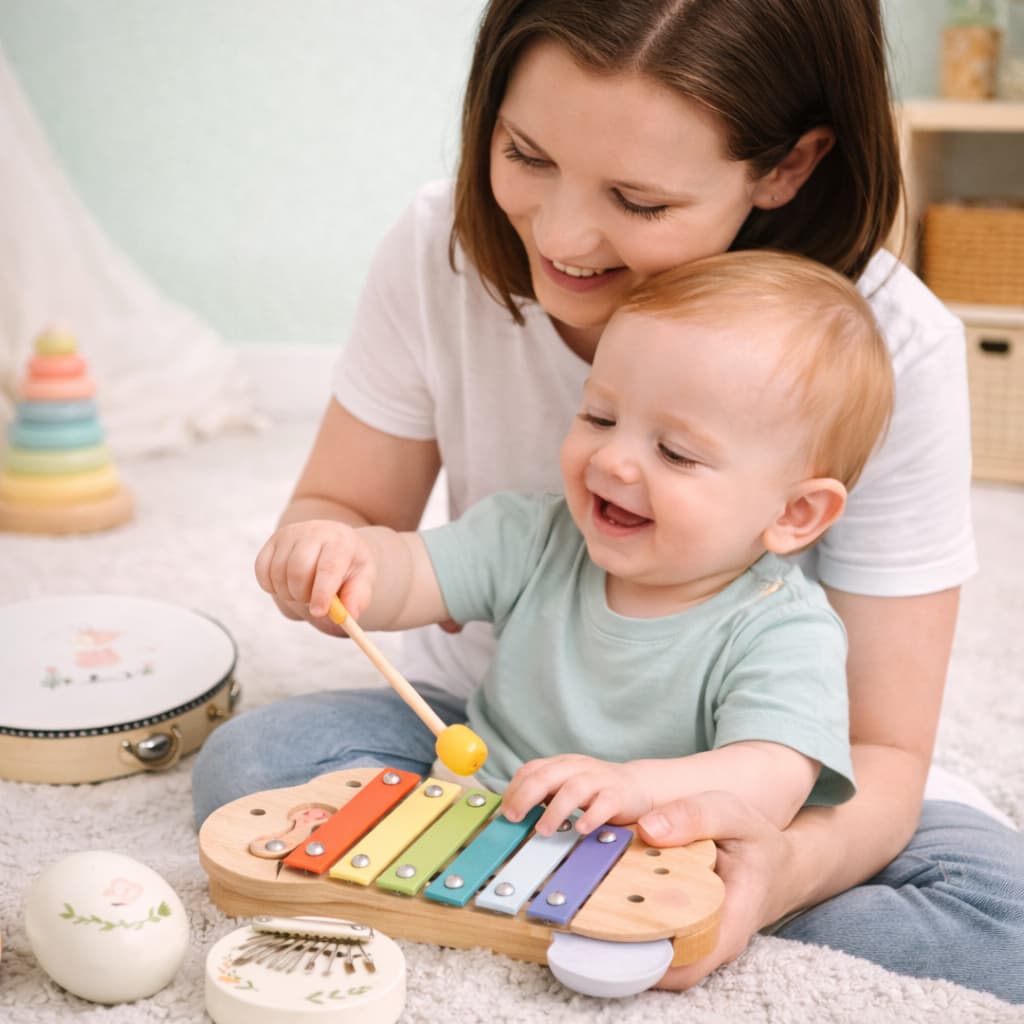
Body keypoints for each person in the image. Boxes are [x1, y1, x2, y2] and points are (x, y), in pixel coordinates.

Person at [193, 0, 1024, 1003]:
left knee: (1000, 922)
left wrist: (755, 875)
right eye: (526, 154)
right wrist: (331, 557)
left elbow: (859, 753)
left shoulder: (888, 356)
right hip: (493, 751)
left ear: (787, 166)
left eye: (637, 199)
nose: (563, 233)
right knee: (260, 764)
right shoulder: (522, 485)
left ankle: (618, 896)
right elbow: (371, 538)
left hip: (727, 797)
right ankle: (548, 888)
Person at [256, 251, 892, 839]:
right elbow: (409, 576)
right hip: (479, 804)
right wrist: (348, 557)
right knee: (260, 755)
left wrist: (635, 787)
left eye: (675, 452)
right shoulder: (533, 535)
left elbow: (773, 779)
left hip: (643, 846)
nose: (613, 460)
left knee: (960, 907)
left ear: (796, 512)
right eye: (600, 418)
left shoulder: (785, 630)